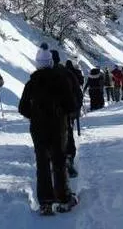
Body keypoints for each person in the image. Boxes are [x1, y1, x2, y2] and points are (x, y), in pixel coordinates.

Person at [19, 49, 79, 215]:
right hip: (58, 128)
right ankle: (64, 198)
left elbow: (22, 108)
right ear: (51, 62)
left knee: (42, 163)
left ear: (38, 64)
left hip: (38, 129)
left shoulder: (31, 83)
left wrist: (35, 115)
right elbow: (71, 105)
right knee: (58, 162)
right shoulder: (61, 81)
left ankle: (45, 202)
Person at [52, 50, 81, 178]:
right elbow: (78, 93)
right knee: (67, 133)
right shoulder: (68, 73)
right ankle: (68, 158)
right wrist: (75, 108)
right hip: (67, 112)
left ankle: (54, 160)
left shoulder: (41, 74)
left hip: (49, 114)